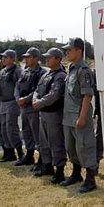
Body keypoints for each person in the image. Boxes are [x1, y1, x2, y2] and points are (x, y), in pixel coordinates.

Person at [60, 38, 97, 193]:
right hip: (68, 116)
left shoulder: (84, 71)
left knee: (84, 146)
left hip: (79, 116)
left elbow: (87, 95)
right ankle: (76, 173)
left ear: (79, 51)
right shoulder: (72, 69)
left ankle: (90, 178)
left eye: (70, 50)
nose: (67, 52)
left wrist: (82, 117)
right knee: (71, 147)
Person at [32, 48, 67, 181]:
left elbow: (54, 95)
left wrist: (39, 103)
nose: (47, 59)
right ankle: (47, 165)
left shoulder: (60, 76)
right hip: (44, 113)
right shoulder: (46, 74)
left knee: (55, 142)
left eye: (50, 57)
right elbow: (37, 89)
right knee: (44, 142)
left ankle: (59, 170)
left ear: (58, 59)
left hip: (54, 114)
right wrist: (35, 99)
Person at [14, 47, 45, 167]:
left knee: (37, 134)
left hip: (34, 108)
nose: (26, 59)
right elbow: (17, 86)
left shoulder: (41, 73)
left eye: (29, 57)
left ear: (36, 58)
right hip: (24, 108)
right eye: (25, 57)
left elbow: (39, 90)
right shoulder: (25, 72)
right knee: (26, 133)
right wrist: (18, 98)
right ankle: (29, 155)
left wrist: (25, 99)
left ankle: (42, 158)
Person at [0, 49, 23, 162]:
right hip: (3, 102)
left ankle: (20, 152)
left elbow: (20, 87)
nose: (3, 59)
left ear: (12, 59)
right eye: (3, 57)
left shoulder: (17, 71)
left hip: (12, 102)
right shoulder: (2, 71)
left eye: (6, 57)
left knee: (11, 127)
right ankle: (9, 153)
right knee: (3, 128)